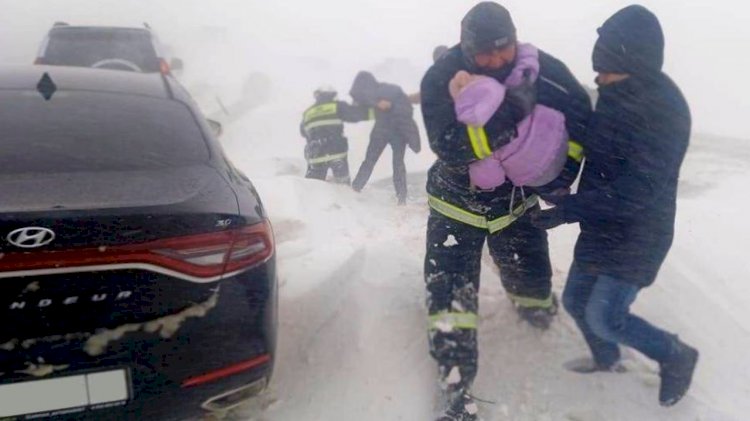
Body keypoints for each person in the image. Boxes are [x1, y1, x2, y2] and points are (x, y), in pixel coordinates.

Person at [420, 2, 592, 419]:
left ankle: (535, 309)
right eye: (485, 54)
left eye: (505, 49)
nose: (497, 60)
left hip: (515, 203)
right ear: (466, 46)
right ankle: (456, 389)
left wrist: (563, 169)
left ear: (515, 39)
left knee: (531, 275)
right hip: (455, 205)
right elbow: (448, 145)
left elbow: (582, 116)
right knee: (450, 299)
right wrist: (508, 119)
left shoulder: (543, 70)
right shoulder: (441, 77)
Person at [530, 5, 698, 407]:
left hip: (640, 233)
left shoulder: (664, 111)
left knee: (606, 316)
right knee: (575, 301)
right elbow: (595, 149)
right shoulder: (614, 94)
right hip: (602, 224)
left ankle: (676, 355)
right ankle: (608, 361)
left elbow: (637, 191)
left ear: (634, 63)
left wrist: (569, 209)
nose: (598, 80)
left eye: (606, 71)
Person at [349, 71, 421, 204]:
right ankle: (401, 198)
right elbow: (406, 113)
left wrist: (377, 103)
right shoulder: (391, 90)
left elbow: (359, 94)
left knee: (371, 160)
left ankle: (356, 187)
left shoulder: (374, 91)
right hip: (398, 132)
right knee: (398, 163)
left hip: (384, 130)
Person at [300, 85, 369, 184]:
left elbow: (303, 132)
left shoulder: (308, 112)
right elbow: (355, 115)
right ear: (332, 95)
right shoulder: (337, 106)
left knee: (313, 187)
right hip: (336, 152)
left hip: (316, 154)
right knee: (343, 186)